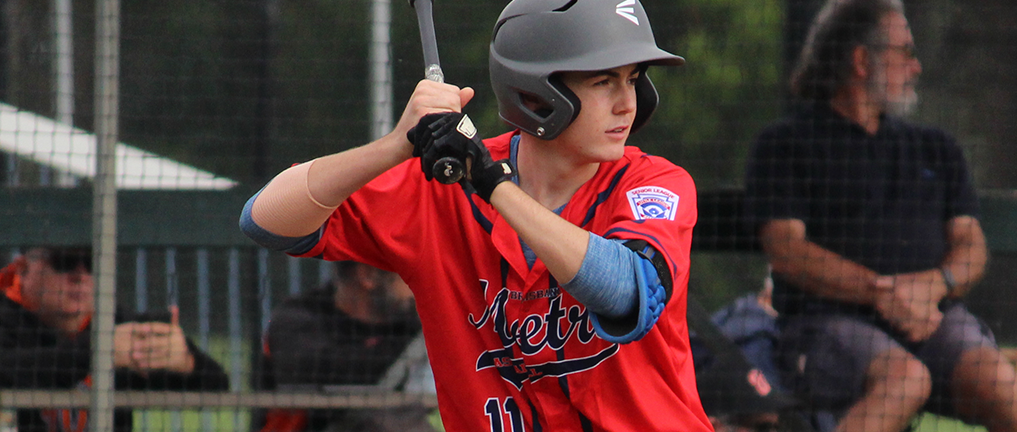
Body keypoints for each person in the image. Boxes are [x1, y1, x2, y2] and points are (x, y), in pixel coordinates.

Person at [240, 0, 712, 429]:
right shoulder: (443, 188)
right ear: (535, 94)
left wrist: (492, 186)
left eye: (632, 78)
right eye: (603, 81)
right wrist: (396, 145)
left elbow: (628, 291)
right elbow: (265, 219)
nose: (627, 103)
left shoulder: (653, 182)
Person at [743, 0, 1017, 431]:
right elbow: (786, 249)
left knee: (1001, 385)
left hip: (932, 317)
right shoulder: (785, 143)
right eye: (905, 51)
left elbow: (971, 244)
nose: (916, 66)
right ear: (860, 60)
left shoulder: (937, 148)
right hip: (827, 325)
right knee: (905, 380)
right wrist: (880, 292)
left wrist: (936, 284)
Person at [0, 247, 230, 432]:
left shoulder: (115, 321)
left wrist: (187, 363)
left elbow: (217, 386)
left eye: (91, 263)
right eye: (64, 263)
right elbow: (8, 370)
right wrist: (97, 351)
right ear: (23, 269)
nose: (80, 276)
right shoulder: (6, 317)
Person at [256, 260, 433, 432]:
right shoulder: (297, 319)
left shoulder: (408, 323)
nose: (417, 287)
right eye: (408, 276)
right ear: (368, 275)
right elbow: (322, 373)